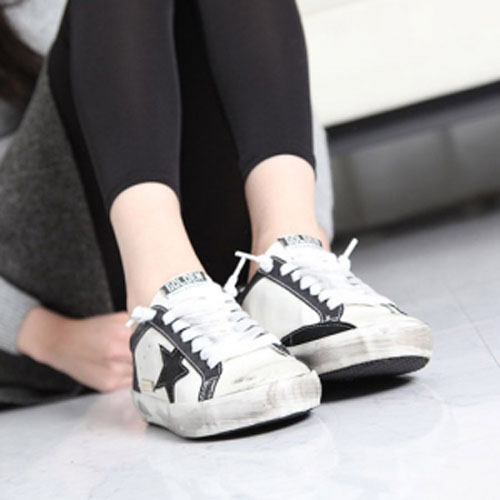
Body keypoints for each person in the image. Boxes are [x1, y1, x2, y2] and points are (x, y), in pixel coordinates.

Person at [0, 0, 432, 437]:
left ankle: (284, 259)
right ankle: (160, 299)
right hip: (52, 269)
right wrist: (44, 334)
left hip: (204, 243)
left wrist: (310, 229)